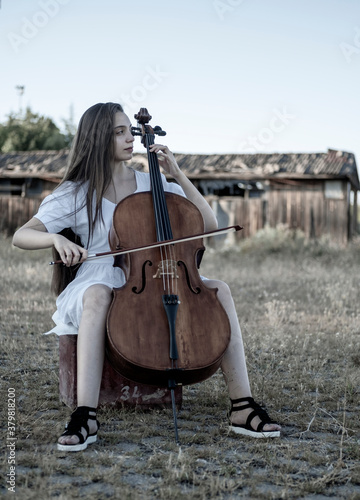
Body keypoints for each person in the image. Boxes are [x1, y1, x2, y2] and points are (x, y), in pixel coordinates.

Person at [12, 102, 281, 452]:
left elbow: (209, 226)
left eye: (130, 130)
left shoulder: (150, 183)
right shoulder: (76, 193)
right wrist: (54, 238)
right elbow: (22, 235)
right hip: (97, 279)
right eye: (119, 132)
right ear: (97, 139)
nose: (130, 138)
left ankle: (243, 406)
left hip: (154, 278)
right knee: (97, 293)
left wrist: (177, 175)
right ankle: (85, 414)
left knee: (219, 290)